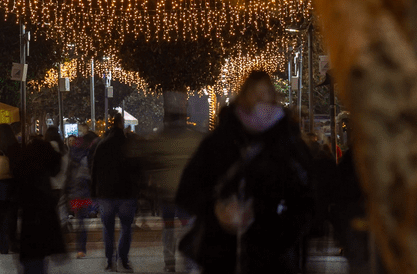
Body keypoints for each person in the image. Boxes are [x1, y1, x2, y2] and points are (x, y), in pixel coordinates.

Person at [176, 70, 315, 274]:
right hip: (220, 254)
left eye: (265, 92)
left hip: (270, 257)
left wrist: (281, 233)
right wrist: (216, 210)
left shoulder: (287, 145)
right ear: (243, 96)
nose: (260, 99)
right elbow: (187, 191)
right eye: (254, 92)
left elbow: (307, 199)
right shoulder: (218, 142)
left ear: (273, 96)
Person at [143, 103, 203, 273]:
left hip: (167, 194)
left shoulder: (160, 139)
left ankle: (169, 261)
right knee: (186, 227)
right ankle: (189, 259)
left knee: (168, 229)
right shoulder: (193, 139)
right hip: (186, 194)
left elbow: (151, 164)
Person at [91, 113, 140, 272]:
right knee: (126, 227)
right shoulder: (128, 144)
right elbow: (136, 170)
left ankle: (109, 260)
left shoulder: (102, 145)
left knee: (108, 228)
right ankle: (123, 259)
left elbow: (94, 171)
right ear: (121, 124)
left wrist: (94, 192)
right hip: (126, 192)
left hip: (106, 193)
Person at [18, 136, 66, 274]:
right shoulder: (42, 180)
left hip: (29, 226)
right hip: (41, 223)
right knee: (37, 262)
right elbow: (56, 167)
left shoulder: (25, 171)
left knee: (33, 262)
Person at [0, 123, 21, 255]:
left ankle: (3, 246)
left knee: (1, 217)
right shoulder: (15, 148)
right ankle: (13, 242)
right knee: (12, 216)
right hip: (13, 185)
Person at [65, 129, 98, 259]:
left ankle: (78, 248)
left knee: (79, 219)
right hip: (83, 190)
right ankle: (81, 249)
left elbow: (68, 173)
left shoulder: (72, 153)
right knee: (81, 221)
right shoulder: (88, 154)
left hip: (73, 190)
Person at [44, 126, 68, 226]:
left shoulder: (45, 148)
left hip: (49, 184)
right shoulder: (63, 148)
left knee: (50, 210)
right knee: (61, 207)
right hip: (62, 182)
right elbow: (67, 166)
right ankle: (63, 225)